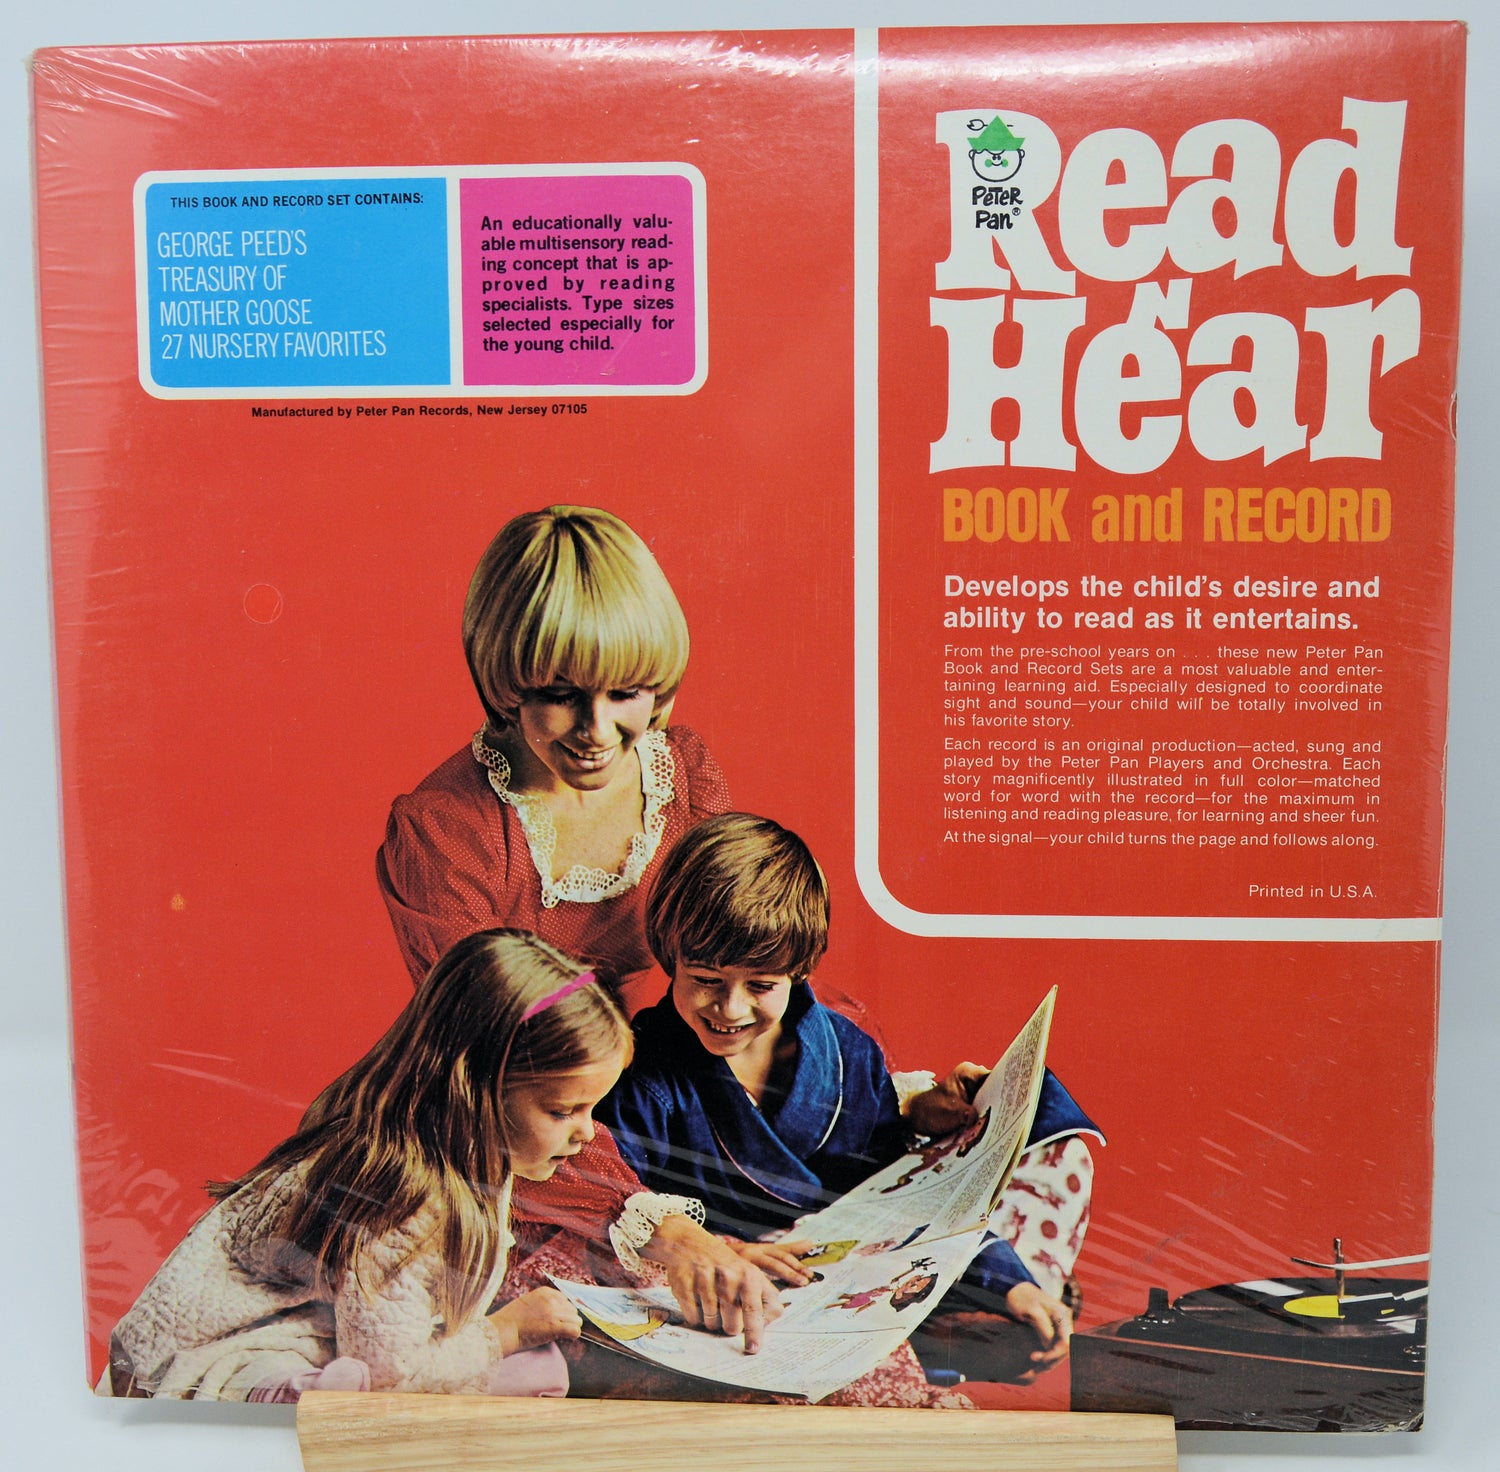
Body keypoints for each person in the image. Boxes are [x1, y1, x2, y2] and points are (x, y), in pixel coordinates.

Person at [106, 930, 773, 1401]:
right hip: (208, 1355)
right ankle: (296, 1398)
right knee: (385, 1379)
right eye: (564, 1110)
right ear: (475, 1091)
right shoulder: (404, 1201)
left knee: (541, 1369)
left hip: (331, 1331)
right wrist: (506, 1331)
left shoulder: (455, 1153)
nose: (586, 1132)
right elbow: (391, 1369)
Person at [599, 813, 1102, 1383]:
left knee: (1053, 1152)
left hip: (863, 1254)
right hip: (748, 1278)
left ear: (798, 970)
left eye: (761, 985)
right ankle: (932, 1340)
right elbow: (625, 1204)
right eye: (706, 980)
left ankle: (991, 1309)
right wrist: (726, 1249)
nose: (731, 1008)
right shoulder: (644, 1071)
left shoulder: (846, 1052)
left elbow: (900, 1192)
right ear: (671, 956)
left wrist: (1006, 1280)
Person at [377, 505, 730, 1015]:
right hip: (518, 1062)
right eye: (562, 696)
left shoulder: (684, 781)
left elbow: (740, 957)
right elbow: (492, 1024)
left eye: (626, 692)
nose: (598, 730)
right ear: (507, 685)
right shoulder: (448, 830)